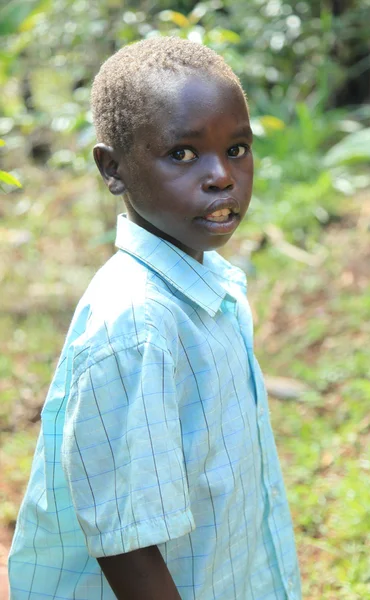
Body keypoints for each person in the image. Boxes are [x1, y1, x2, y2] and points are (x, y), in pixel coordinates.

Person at [8, 37, 301, 600]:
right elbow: (127, 545)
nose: (221, 176)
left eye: (237, 148)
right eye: (183, 155)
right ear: (112, 168)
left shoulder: (215, 286)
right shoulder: (138, 325)